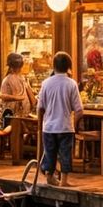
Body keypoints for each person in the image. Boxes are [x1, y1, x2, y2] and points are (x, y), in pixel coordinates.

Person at [36, 51, 82, 187]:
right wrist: (74, 123)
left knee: (50, 152)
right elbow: (79, 110)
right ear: (69, 66)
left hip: (49, 127)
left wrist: (40, 126)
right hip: (65, 126)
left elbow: (40, 107)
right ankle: (64, 180)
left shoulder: (46, 83)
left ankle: (49, 176)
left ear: (53, 65)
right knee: (65, 153)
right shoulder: (71, 84)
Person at [0, 53, 35, 118]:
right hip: (18, 117)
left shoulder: (21, 79)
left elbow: (32, 101)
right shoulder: (14, 79)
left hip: (18, 117)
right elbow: (33, 102)